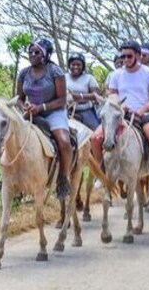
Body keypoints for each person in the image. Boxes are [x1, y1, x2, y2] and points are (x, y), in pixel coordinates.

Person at [91, 40, 149, 189]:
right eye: (123, 56)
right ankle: (102, 170)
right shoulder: (116, 75)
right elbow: (112, 96)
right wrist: (120, 106)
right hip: (119, 114)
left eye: (129, 56)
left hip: (142, 113)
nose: (125, 59)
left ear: (138, 55)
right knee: (95, 138)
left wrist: (142, 109)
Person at [16, 38, 72, 199]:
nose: (33, 55)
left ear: (46, 55)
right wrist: (24, 108)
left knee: (64, 141)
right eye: (31, 52)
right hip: (31, 112)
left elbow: (62, 100)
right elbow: (19, 98)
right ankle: (10, 174)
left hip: (53, 112)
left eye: (37, 52)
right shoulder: (24, 73)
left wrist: (41, 107)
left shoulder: (55, 71)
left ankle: (63, 178)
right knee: (11, 136)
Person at [66, 52, 101, 131]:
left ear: (83, 66)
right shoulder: (64, 77)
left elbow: (96, 95)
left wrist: (80, 96)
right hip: (67, 110)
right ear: (69, 65)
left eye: (78, 65)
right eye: (73, 64)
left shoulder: (89, 78)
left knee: (97, 133)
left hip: (85, 110)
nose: (75, 67)